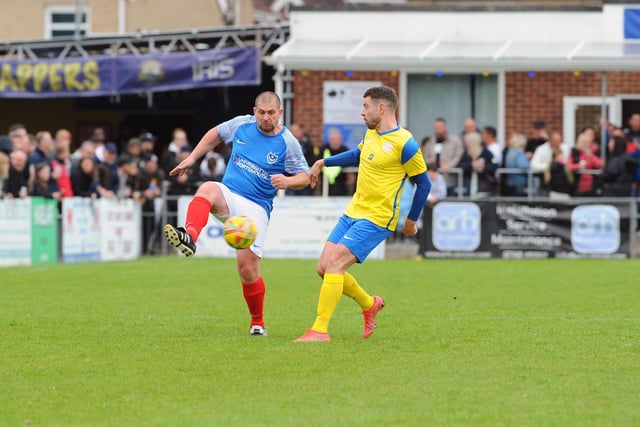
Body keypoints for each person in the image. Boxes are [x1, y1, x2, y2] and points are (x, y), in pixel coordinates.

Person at [163, 91, 310, 337]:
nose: (265, 118)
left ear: (280, 113)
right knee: (207, 188)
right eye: (261, 113)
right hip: (230, 195)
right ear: (254, 111)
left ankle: (258, 323)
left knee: (247, 270)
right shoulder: (242, 124)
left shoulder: (288, 142)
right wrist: (192, 158)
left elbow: (305, 176)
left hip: (256, 208)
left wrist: (288, 181)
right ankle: (189, 236)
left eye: (271, 113)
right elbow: (214, 134)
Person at [294, 85, 431, 342]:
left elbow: (424, 184)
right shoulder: (371, 134)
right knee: (324, 268)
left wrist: (411, 221)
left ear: (381, 108)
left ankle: (319, 330)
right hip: (353, 211)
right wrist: (323, 162)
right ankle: (370, 304)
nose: (362, 112)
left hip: (377, 218)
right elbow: (358, 154)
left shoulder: (406, 144)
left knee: (335, 266)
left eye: (365, 106)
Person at [421, 118, 464, 195]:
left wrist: (449, 165)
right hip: (434, 182)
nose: (438, 130)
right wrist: (430, 162)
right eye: (436, 128)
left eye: (440, 127)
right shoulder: (431, 142)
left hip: (450, 180)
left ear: (445, 127)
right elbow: (424, 157)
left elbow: (459, 156)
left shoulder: (455, 141)